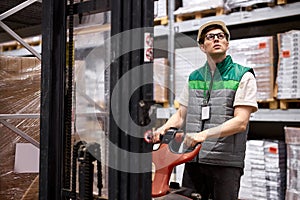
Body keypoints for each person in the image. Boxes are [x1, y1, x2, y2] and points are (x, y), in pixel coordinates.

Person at [153, 20, 258, 200]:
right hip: (192, 159)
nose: (216, 39)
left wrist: (203, 135)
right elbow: (180, 115)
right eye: (210, 37)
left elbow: (241, 122)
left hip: (225, 163)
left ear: (227, 43)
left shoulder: (243, 75)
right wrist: (163, 128)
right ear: (202, 46)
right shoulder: (194, 77)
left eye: (221, 36)